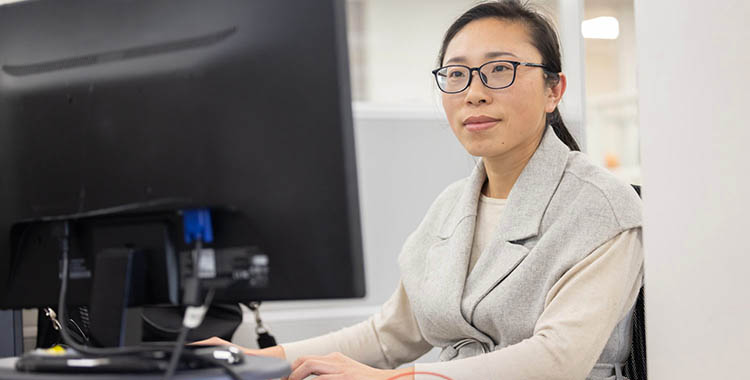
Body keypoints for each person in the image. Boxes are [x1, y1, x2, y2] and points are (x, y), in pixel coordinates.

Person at [197, 1, 643, 379]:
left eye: (500, 70)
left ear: (554, 90)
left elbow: (558, 358)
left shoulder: (602, 205)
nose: (474, 93)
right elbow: (389, 335)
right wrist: (251, 359)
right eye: (456, 74)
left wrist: (392, 379)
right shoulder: (451, 207)